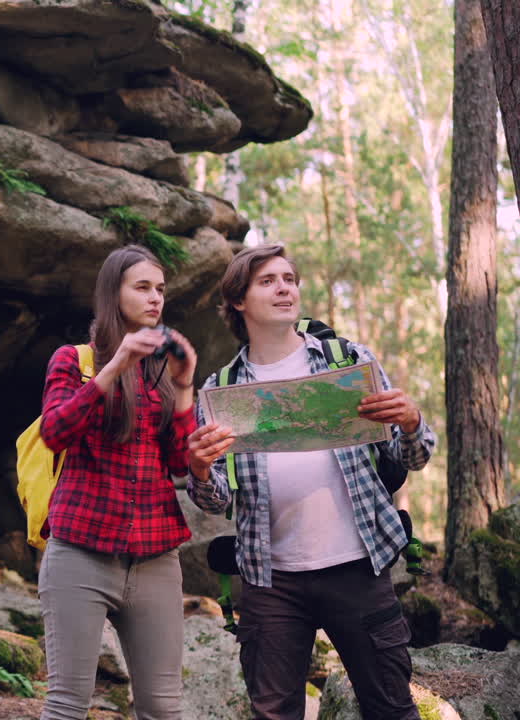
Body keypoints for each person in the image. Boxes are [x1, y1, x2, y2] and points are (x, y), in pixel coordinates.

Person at [186, 244, 436, 720]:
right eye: (268, 281)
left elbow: (413, 457)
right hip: (270, 579)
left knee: (391, 708)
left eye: (290, 279)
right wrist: (199, 470)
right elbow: (216, 500)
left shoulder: (348, 362)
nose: (285, 288)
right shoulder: (221, 390)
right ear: (238, 301)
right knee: (273, 713)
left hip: (360, 568)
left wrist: (410, 421)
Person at [37, 244, 199, 720]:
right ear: (114, 293)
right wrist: (114, 368)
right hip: (79, 553)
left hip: (155, 559)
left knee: (163, 708)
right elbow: (55, 432)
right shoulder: (74, 359)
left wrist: (186, 386)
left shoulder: (164, 373)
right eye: (142, 287)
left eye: (161, 290)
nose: (156, 299)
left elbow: (180, 464)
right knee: (67, 705)